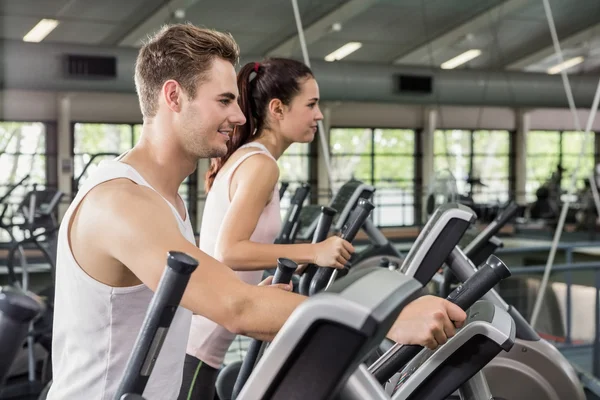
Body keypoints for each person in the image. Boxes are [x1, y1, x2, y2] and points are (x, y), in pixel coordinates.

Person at [46, 23, 467, 400]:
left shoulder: (166, 198)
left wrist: (252, 292)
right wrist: (389, 319)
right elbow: (237, 308)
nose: (239, 116)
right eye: (225, 100)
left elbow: (189, 289)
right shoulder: (122, 202)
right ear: (173, 96)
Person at [180, 57, 355, 399]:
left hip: (203, 342)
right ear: (277, 108)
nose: (319, 115)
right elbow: (229, 250)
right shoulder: (260, 164)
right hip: (197, 347)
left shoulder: (248, 158)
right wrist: (314, 251)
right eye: (312, 104)